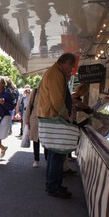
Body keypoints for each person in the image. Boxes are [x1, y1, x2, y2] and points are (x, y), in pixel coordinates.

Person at [37, 53, 76, 198]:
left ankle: (53, 185)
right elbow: (57, 100)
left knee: (55, 154)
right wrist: (67, 116)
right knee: (57, 154)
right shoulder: (55, 74)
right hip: (54, 118)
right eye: (70, 66)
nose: (71, 69)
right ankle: (53, 186)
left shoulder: (55, 72)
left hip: (51, 116)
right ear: (65, 63)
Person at [24, 87, 47, 168]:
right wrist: (26, 120)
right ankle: (36, 159)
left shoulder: (51, 90)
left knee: (46, 140)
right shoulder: (36, 90)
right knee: (35, 140)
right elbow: (29, 105)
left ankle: (47, 157)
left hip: (46, 119)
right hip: (35, 119)